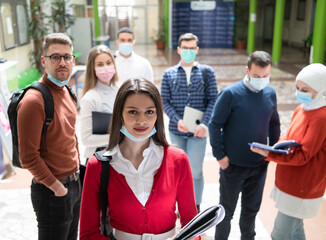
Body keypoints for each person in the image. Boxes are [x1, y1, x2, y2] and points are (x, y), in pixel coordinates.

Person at [80, 79, 199, 240]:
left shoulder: (178, 160)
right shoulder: (97, 166)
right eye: (132, 112)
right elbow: (88, 234)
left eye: (149, 112)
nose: (141, 120)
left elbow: (193, 228)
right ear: (120, 114)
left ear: (158, 115)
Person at [208, 51, 280, 240]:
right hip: (233, 166)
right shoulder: (231, 94)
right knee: (226, 214)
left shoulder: (270, 93)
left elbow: (274, 123)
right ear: (247, 70)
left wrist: (272, 150)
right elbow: (215, 124)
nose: (261, 80)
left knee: (250, 212)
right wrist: (220, 156)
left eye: (266, 76)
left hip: (258, 167)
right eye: (257, 76)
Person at [251, 63, 326, 240]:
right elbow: (290, 135)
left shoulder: (322, 117)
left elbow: (304, 155)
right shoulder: (302, 109)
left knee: (280, 233)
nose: (300, 93)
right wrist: (275, 145)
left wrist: (269, 154)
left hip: (302, 185)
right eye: (298, 88)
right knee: (296, 229)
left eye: (306, 89)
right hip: (289, 179)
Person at [17, 33, 80, 239]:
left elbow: (70, 137)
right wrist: (58, 189)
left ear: (73, 60)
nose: (62, 62)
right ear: (44, 61)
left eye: (67, 57)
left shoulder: (67, 91)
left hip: (74, 184)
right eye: (55, 57)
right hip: (52, 191)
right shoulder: (34, 101)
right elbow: (28, 157)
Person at [161, 33, 218, 212]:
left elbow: (213, 100)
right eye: (185, 48)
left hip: (198, 133)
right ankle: (178, 205)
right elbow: (164, 101)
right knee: (177, 171)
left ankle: (195, 206)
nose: (188, 51)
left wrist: (205, 124)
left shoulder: (207, 72)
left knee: (195, 171)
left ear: (197, 50)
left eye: (192, 48)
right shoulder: (168, 74)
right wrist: (177, 120)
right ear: (178, 50)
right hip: (176, 131)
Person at [79, 45, 119, 161]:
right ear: (92, 68)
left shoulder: (120, 88)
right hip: (100, 159)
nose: (106, 68)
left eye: (108, 62)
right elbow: (86, 139)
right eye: (100, 65)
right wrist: (116, 137)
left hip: (120, 156)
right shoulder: (90, 98)